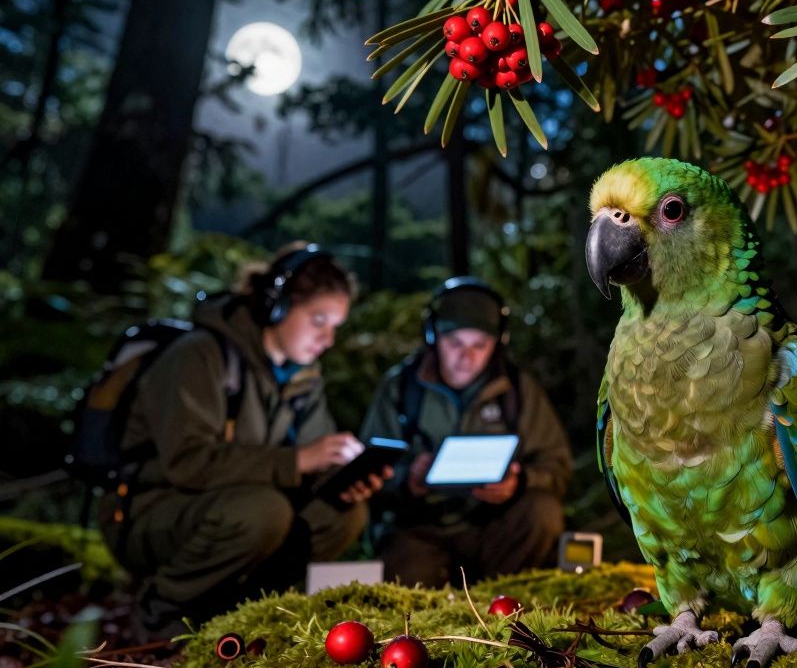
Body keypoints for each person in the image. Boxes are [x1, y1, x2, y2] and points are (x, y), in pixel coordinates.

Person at [101, 244, 388, 636]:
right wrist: (299, 461)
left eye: (335, 325)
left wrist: (342, 479)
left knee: (342, 515)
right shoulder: (200, 355)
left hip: (234, 507)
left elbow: (310, 461)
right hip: (148, 509)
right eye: (318, 319)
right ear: (278, 306)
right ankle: (162, 611)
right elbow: (189, 462)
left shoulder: (303, 376)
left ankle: (247, 609)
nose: (328, 338)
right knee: (264, 511)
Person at [361, 277, 572, 588]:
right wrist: (408, 480)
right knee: (407, 579)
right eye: (455, 343)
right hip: (420, 529)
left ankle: (505, 605)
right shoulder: (401, 388)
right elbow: (365, 474)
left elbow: (557, 466)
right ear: (433, 337)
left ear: (497, 344)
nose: (467, 356)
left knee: (542, 512)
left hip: (491, 526)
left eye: (479, 345)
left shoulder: (517, 390)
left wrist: (519, 482)